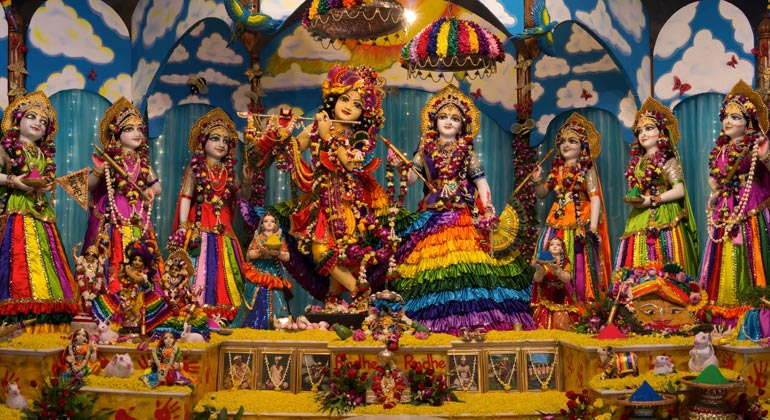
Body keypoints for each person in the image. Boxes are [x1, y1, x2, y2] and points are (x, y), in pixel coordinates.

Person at [389, 84, 533, 335]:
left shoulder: (467, 152)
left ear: (462, 126)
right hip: (432, 216)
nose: (448, 121)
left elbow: (481, 182)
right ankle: (431, 320)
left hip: (462, 215)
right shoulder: (424, 149)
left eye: (455, 118)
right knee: (430, 269)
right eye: (443, 116)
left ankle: (471, 319)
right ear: (434, 122)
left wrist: (488, 210)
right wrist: (401, 167)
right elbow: (411, 180)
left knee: (468, 267)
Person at [257, 65, 390, 313]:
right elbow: (294, 149)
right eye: (344, 98)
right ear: (333, 99)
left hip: (346, 202)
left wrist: (328, 136)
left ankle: (355, 294)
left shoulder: (359, 137)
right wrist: (284, 130)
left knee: (339, 253)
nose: (348, 106)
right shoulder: (317, 126)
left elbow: (350, 164)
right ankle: (336, 299)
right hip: (320, 200)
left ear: (363, 113)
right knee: (323, 251)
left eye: (357, 104)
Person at [0, 91, 78, 327]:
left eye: (43, 122)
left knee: (46, 254)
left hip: (41, 211)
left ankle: (49, 308)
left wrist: (46, 186)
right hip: (17, 209)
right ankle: (18, 311)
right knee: (17, 255)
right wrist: (13, 181)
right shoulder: (7, 148)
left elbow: (46, 179)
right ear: (18, 121)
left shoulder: (42, 154)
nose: (38, 123)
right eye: (32, 117)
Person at [84, 97, 163, 322]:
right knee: (114, 250)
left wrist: (150, 191)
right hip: (116, 211)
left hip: (138, 215)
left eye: (139, 129)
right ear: (117, 134)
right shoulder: (110, 160)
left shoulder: (143, 163)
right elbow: (89, 185)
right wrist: (99, 171)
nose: (137, 133)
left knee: (144, 251)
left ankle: (146, 303)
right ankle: (113, 298)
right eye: (129, 129)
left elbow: (157, 187)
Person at [699, 80, 770, 306]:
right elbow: (714, 177)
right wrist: (716, 189)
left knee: (749, 245)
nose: (728, 121)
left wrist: (763, 151)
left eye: (736, 117)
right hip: (725, 205)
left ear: (748, 122)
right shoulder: (721, 148)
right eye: (726, 117)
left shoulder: (756, 143)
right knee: (724, 248)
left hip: (750, 203)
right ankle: (724, 302)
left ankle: (752, 300)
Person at [172, 108, 245, 322]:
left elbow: (243, 197)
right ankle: (196, 309)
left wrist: (248, 180)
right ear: (203, 143)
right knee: (200, 266)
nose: (221, 144)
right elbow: (186, 196)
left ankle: (224, 312)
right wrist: (183, 225)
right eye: (215, 139)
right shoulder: (196, 168)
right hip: (199, 225)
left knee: (225, 268)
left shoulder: (230, 171)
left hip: (224, 228)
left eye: (225, 140)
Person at [532, 113, 611, 304]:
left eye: (572, 141)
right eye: (562, 141)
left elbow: (595, 198)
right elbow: (542, 193)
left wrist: (593, 228)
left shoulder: (586, 168)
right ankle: (549, 297)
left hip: (579, 220)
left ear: (583, 147)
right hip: (556, 219)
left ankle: (579, 298)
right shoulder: (556, 170)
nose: (566, 145)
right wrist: (537, 180)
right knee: (549, 252)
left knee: (579, 258)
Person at [615, 98, 699, 277]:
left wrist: (652, 200)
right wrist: (636, 199)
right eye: (639, 131)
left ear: (661, 132)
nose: (643, 134)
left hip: (665, 211)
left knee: (665, 252)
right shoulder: (637, 163)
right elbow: (635, 189)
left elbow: (679, 191)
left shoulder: (667, 159)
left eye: (649, 128)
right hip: (640, 214)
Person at [233, 212, 292, 329]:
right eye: (266, 221)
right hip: (259, 270)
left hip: (274, 271)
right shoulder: (258, 238)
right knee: (257, 295)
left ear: (275, 225)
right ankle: (255, 324)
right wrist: (260, 251)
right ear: (262, 224)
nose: (269, 223)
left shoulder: (280, 238)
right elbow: (250, 254)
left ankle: (278, 324)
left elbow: (287, 257)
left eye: (272, 221)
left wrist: (278, 253)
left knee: (277, 295)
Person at [531, 236, 579, 330]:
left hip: (560, 294)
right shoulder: (543, 260)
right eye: (552, 244)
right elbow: (537, 279)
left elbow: (567, 279)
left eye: (558, 245)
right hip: (545, 294)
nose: (555, 246)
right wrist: (540, 272)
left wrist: (558, 272)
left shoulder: (565, 262)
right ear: (548, 248)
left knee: (563, 320)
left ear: (562, 248)